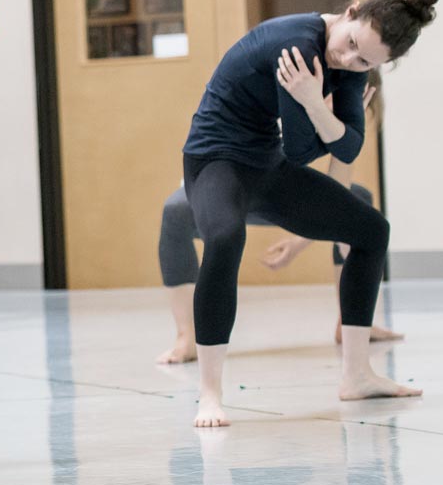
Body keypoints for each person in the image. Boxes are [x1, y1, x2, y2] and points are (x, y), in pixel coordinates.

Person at [179, 0, 439, 427]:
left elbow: (351, 148)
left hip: (266, 163)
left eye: (365, 63)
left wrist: (314, 104)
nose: (349, 61)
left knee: (371, 231)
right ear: (349, 11)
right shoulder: (295, 44)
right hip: (215, 159)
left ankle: (357, 376)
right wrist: (328, 118)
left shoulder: (352, 64)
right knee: (224, 237)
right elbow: (306, 149)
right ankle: (209, 394)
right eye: (351, 44)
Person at [157, 73, 402, 365]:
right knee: (174, 211)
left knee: (360, 202)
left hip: (280, 195)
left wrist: (300, 242)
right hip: (226, 186)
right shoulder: (286, 95)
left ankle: (350, 321)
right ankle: (187, 336)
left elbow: (338, 193)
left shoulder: (344, 122)